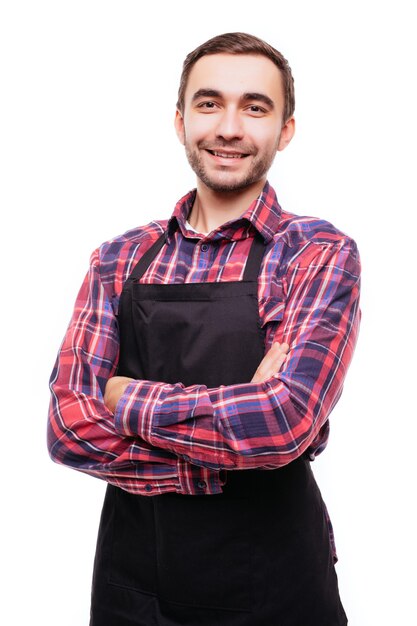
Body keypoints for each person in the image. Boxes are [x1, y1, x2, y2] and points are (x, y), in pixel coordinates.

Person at [48, 32, 360, 626]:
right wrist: (224, 457)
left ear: (285, 130)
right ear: (181, 120)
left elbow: (282, 421)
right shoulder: (118, 258)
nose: (229, 127)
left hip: (278, 590)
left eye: (255, 107)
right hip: (134, 589)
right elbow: (67, 429)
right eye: (210, 103)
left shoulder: (315, 252)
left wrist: (122, 396)